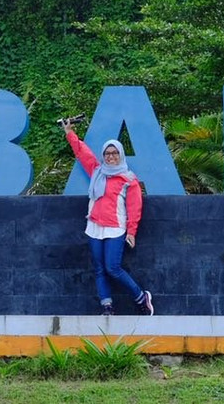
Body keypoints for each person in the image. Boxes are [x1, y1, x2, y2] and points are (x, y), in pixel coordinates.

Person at [62, 117, 154, 316]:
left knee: (112, 268)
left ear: (120, 155)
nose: (111, 156)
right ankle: (107, 306)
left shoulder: (129, 179)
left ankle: (140, 297)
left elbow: (135, 207)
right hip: (95, 227)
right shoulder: (97, 172)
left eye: (114, 153)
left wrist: (132, 231)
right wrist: (70, 133)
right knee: (99, 269)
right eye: (107, 153)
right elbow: (82, 153)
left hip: (115, 228)